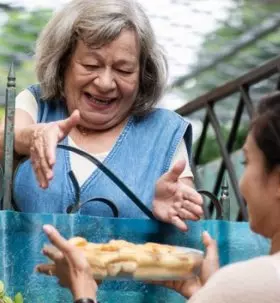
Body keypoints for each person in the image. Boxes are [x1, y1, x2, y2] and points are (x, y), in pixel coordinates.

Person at [38, 89, 280, 303]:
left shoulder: (249, 285)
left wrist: (85, 298)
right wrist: (205, 297)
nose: (243, 181)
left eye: (247, 162)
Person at [0, 0, 203, 231]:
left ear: (143, 74)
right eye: (91, 65)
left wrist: (168, 215)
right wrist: (32, 136)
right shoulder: (37, 104)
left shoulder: (165, 132)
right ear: (63, 63)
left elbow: (189, 230)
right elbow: (6, 137)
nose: (105, 83)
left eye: (123, 70)